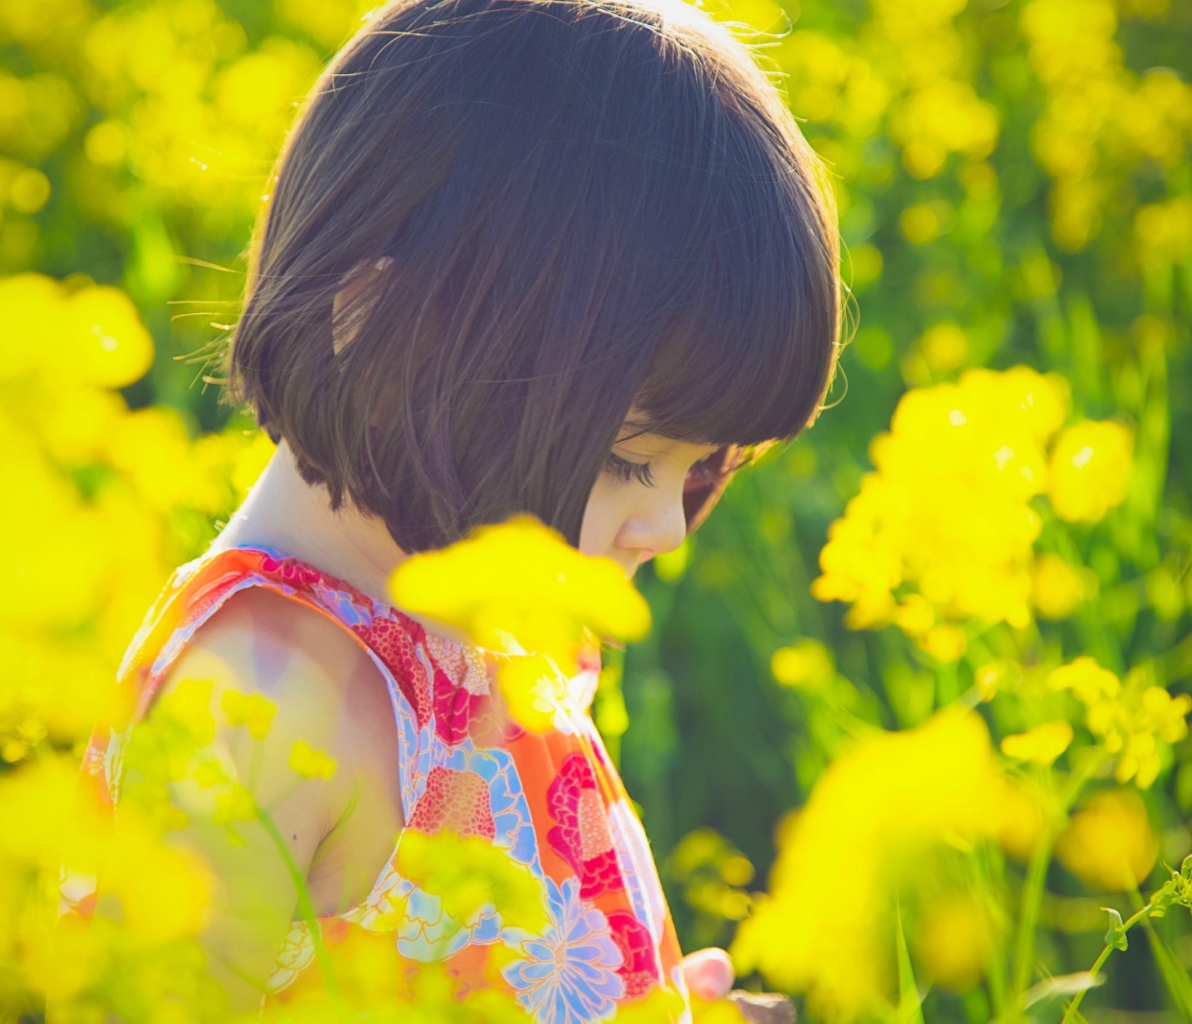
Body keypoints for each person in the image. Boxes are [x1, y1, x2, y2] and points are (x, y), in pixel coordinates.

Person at [74, 0, 840, 1018]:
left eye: (697, 469)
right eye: (623, 459)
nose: (665, 525)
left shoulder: (480, 635)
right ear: (386, 336)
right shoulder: (260, 700)